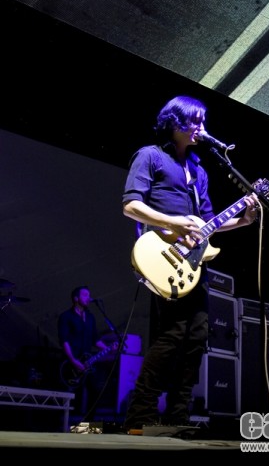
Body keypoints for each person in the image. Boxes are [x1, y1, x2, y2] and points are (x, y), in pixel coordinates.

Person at [122, 95, 258, 432]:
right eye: (195, 121)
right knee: (171, 335)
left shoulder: (198, 170)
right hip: (163, 257)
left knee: (196, 338)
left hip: (194, 265)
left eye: (203, 121)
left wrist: (243, 220)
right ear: (175, 121)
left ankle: (178, 416)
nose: (201, 127)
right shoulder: (150, 155)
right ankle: (140, 414)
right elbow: (131, 206)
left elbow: (207, 223)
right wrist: (175, 223)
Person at [57, 285, 116, 424]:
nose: (88, 298)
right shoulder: (66, 316)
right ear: (75, 298)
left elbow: (95, 339)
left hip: (87, 362)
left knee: (95, 391)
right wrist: (73, 360)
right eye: (85, 295)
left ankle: (88, 426)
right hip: (70, 363)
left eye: (89, 295)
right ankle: (64, 426)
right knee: (72, 397)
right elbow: (64, 340)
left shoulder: (90, 317)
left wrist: (109, 348)